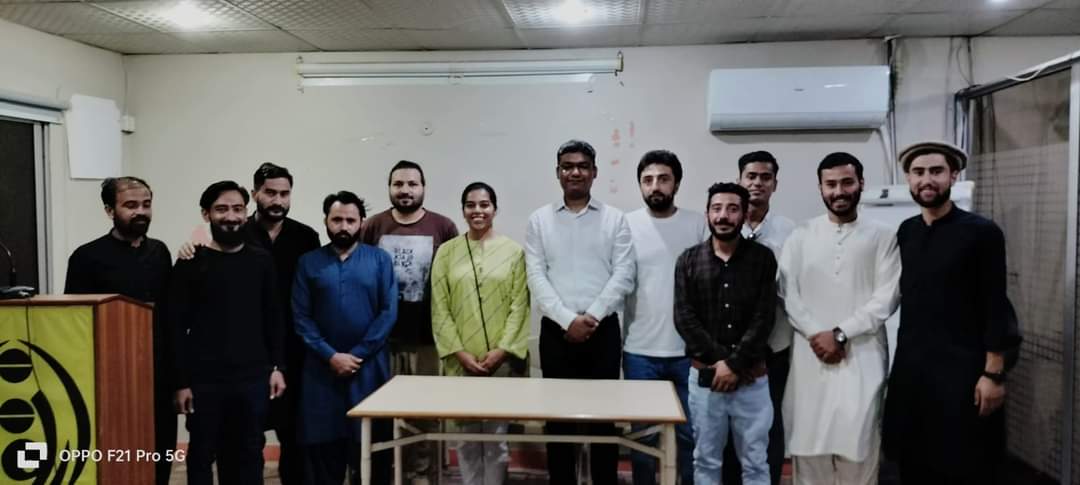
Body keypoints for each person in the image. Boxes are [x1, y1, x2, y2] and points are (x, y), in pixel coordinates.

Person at [883, 141, 1022, 485]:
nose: (926, 180)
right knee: (913, 465)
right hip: (914, 375)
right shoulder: (907, 232)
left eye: (936, 171)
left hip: (965, 375)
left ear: (953, 176)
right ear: (908, 179)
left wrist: (993, 375)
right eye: (918, 173)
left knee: (965, 467)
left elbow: (995, 304)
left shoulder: (981, 233)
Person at [780, 153, 900, 485]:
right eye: (831, 184)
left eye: (847, 182)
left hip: (862, 357)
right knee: (809, 447)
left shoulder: (883, 236)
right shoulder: (801, 235)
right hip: (810, 356)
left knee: (860, 448)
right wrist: (817, 334)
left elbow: (886, 297)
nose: (839, 191)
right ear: (820, 188)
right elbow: (788, 294)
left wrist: (842, 334)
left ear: (861, 184)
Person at [525, 139, 635, 485]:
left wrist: (592, 316)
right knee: (558, 419)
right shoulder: (539, 220)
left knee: (604, 417)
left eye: (582, 166)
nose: (575, 172)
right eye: (567, 166)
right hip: (556, 333)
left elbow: (624, 274)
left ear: (594, 172)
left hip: (603, 332)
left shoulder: (615, 219)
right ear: (558, 173)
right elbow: (536, 275)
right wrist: (567, 319)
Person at [168, 180, 286, 485]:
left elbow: (274, 318)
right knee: (201, 455)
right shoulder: (190, 263)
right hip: (204, 380)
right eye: (221, 209)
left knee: (248, 451)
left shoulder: (261, 261)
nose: (231, 216)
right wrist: (181, 383)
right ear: (206, 214)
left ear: (246, 213)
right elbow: (176, 326)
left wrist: (277, 367)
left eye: (237, 209)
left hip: (253, 377)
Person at [64, 176, 175, 485]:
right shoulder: (87, 257)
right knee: (118, 452)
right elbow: (77, 322)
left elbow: (170, 316)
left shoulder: (160, 252)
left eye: (146, 205)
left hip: (158, 372)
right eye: (130, 205)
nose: (140, 212)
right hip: (111, 374)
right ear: (109, 210)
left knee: (160, 449)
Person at [360, 160, 458, 484]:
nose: (405, 190)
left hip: (428, 338)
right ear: (389, 187)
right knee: (382, 411)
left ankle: (421, 475)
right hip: (381, 340)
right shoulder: (373, 226)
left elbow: (452, 282)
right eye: (398, 184)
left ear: (423, 188)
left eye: (412, 184)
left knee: (423, 412)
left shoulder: (443, 227)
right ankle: (386, 473)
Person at [293, 190, 398, 485]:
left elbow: (388, 313)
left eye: (350, 220)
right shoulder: (308, 263)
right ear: (326, 221)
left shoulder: (380, 261)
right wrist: (330, 355)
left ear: (361, 222)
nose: (343, 226)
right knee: (325, 450)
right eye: (336, 219)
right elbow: (301, 317)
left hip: (369, 369)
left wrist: (358, 354)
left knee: (372, 447)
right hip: (321, 371)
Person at [674, 182, 776, 485]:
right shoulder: (688, 260)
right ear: (707, 214)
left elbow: (764, 317)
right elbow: (684, 318)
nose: (723, 215)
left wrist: (734, 364)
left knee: (756, 462)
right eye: (717, 208)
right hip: (705, 381)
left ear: (744, 215)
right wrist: (724, 364)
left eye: (732, 209)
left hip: (752, 380)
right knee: (705, 460)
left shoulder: (762, 259)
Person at [431, 182, 530, 485]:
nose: (478, 211)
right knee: (467, 438)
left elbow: (519, 306)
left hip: (500, 361)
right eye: (471, 205)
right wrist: (459, 352)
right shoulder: (447, 252)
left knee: (497, 440)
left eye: (484, 205)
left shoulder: (513, 252)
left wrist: (502, 350)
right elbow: (440, 306)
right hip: (461, 359)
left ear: (494, 209)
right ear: (463, 210)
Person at [623, 150, 705, 485]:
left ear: (677, 183)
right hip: (639, 350)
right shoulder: (626, 224)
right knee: (642, 439)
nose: (655, 186)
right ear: (640, 185)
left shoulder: (697, 223)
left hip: (687, 352)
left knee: (689, 438)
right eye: (648, 180)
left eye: (663, 178)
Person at [724, 151, 797, 485]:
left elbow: (793, 291)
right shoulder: (722, 223)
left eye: (765, 177)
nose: (757, 183)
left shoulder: (790, 233)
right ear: (740, 180)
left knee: (769, 423)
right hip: (728, 347)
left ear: (775, 184)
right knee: (727, 424)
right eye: (750, 176)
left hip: (773, 345)